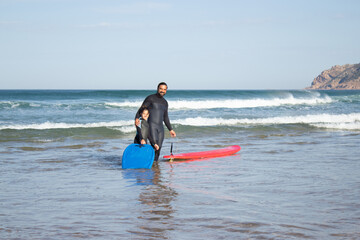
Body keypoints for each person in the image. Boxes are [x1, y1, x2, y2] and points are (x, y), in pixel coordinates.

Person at [135, 82, 176, 161]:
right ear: (158, 89)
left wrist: (170, 129)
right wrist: (137, 118)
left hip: (160, 128)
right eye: (161, 89)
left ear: (166, 90)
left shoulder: (165, 102)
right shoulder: (150, 98)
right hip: (151, 126)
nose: (162, 91)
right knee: (155, 146)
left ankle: (155, 166)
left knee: (159, 148)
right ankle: (147, 162)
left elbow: (165, 117)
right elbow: (141, 109)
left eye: (164, 89)